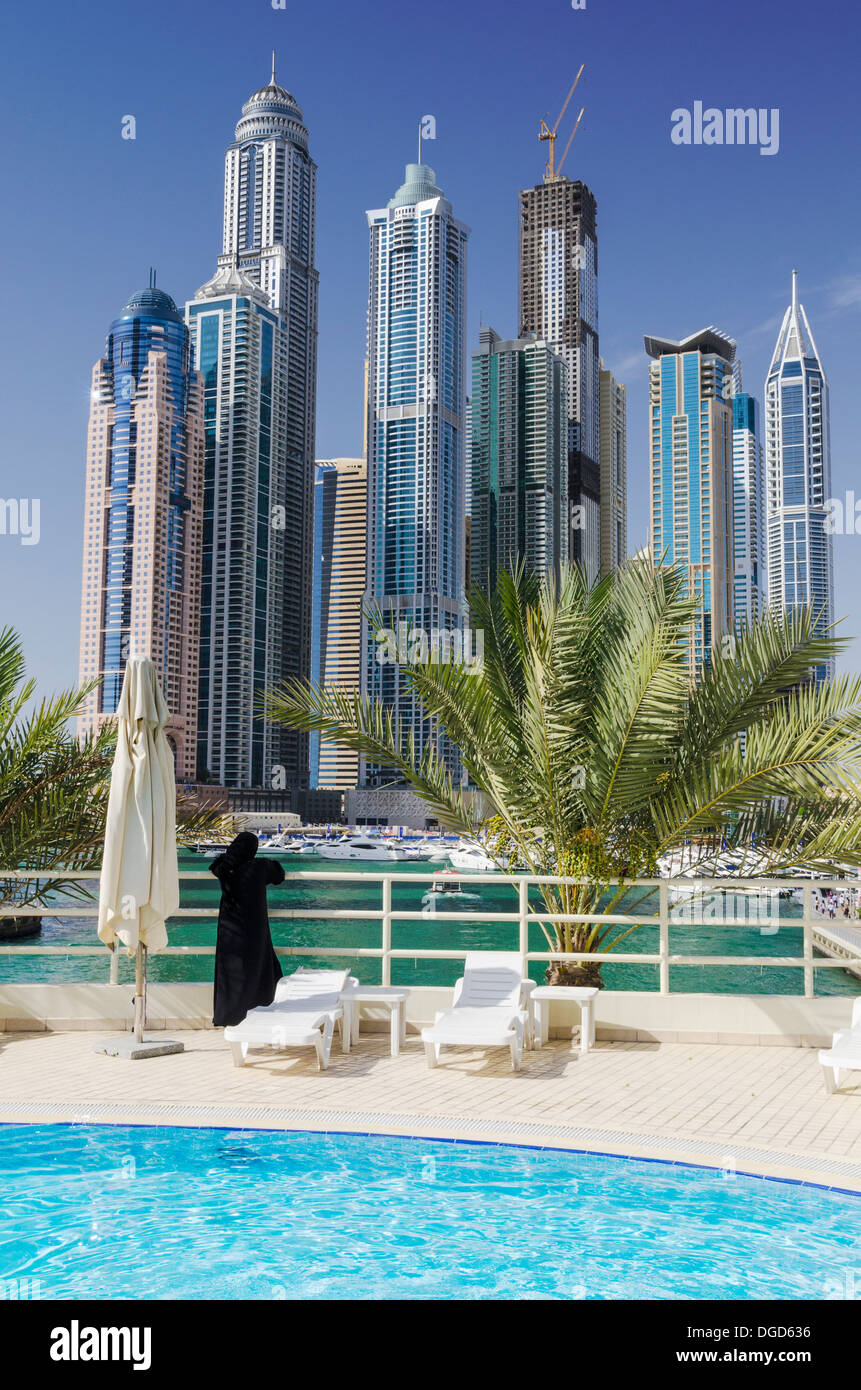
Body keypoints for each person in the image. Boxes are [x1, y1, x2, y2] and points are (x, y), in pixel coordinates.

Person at [210, 832, 285, 1027]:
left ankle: (229, 1017)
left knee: (231, 972)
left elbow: (217, 865)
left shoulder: (222, 867)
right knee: (258, 969)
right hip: (254, 927)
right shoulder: (258, 868)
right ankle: (259, 1012)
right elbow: (279, 874)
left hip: (229, 928)